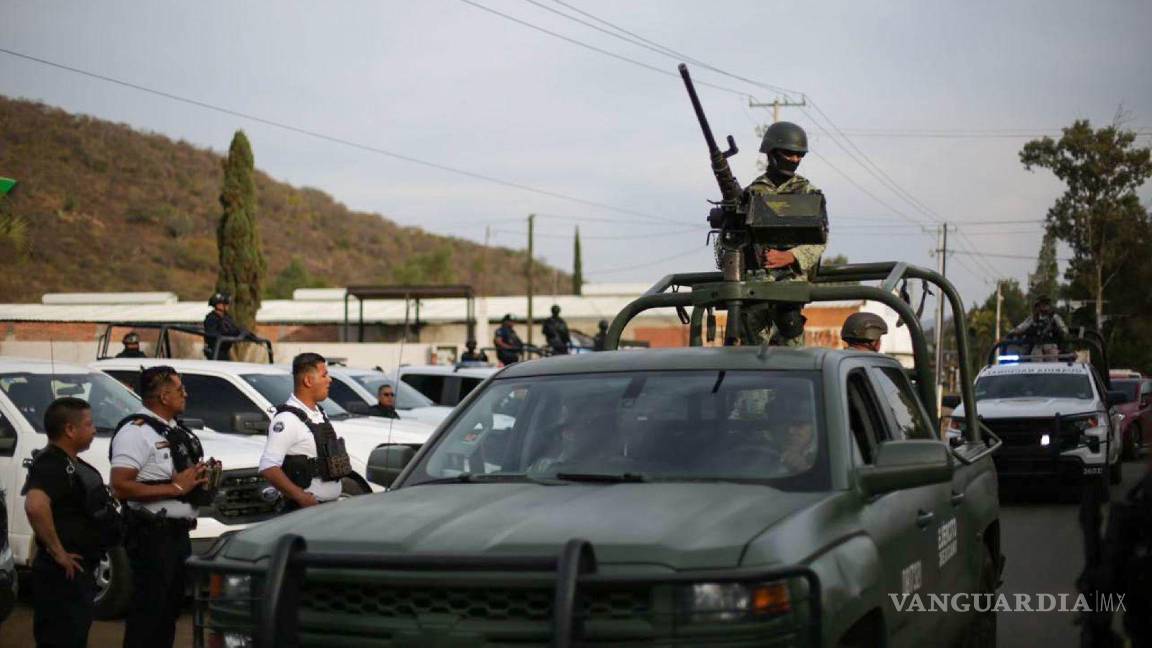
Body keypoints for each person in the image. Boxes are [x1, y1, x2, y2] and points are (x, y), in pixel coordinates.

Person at [110, 366, 214, 648]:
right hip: (151, 535)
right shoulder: (136, 432)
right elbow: (120, 485)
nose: (186, 394)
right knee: (149, 612)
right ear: (164, 395)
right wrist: (176, 488)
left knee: (169, 612)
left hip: (178, 535)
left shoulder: (176, 430)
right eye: (180, 389)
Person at [23, 398, 121, 648]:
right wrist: (58, 553)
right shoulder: (52, 464)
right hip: (63, 574)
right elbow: (35, 505)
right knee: (61, 638)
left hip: (79, 570)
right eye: (89, 424)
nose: (94, 429)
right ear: (69, 429)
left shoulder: (69, 463)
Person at [727, 121, 826, 347]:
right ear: (772, 153)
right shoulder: (752, 193)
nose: (795, 160)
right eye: (789, 153)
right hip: (754, 285)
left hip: (790, 285)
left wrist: (791, 257)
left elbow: (821, 237)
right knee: (750, 352)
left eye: (799, 155)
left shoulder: (808, 192)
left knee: (792, 348)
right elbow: (736, 239)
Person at [259, 353, 352, 512]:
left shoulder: (318, 413)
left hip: (327, 509)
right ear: (308, 381)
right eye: (324, 375)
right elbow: (268, 467)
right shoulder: (287, 419)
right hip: (304, 512)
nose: (329, 380)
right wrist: (301, 497)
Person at [203, 292, 252, 360]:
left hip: (225, 351)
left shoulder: (227, 318)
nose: (228, 305)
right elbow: (213, 335)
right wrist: (231, 334)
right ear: (218, 305)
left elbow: (234, 329)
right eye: (225, 303)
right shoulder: (211, 319)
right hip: (216, 352)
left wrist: (246, 334)